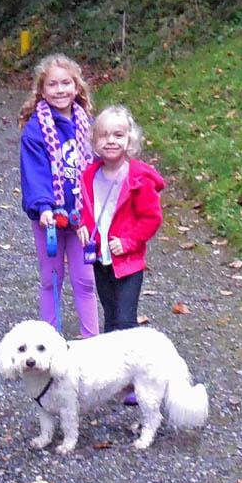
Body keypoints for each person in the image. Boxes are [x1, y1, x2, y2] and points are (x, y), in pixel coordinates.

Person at [19, 54, 99, 338]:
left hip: (82, 218)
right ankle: (49, 341)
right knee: (51, 279)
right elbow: (34, 172)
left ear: (77, 87)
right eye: (53, 84)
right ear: (42, 90)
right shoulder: (35, 130)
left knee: (85, 280)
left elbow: (99, 167)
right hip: (49, 218)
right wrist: (43, 207)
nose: (60, 89)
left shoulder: (88, 126)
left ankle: (92, 340)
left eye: (66, 83)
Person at [78, 104, 165, 334]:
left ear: (130, 140)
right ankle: (112, 367)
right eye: (104, 135)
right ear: (94, 141)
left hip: (127, 262)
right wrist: (83, 227)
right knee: (111, 317)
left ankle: (135, 366)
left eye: (118, 135)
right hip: (100, 259)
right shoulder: (89, 175)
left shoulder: (139, 179)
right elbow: (88, 211)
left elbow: (152, 218)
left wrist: (128, 242)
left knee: (126, 321)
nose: (111, 141)